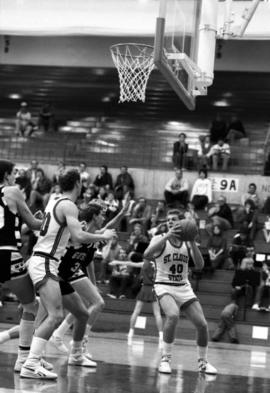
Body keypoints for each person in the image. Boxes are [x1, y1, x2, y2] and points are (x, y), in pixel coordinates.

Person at [20, 169, 116, 379]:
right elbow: (79, 236)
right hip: (45, 261)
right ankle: (30, 363)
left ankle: (73, 355)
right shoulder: (68, 205)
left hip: (46, 261)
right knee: (55, 315)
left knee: (81, 313)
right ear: (77, 184)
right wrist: (104, 236)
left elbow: (72, 238)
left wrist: (88, 233)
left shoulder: (54, 201)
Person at [143, 209, 217, 375]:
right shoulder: (159, 238)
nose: (170, 222)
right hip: (164, 285)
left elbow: (199, 266)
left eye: (174, 220)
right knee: (173, 315)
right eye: (168, 220)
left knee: (202, 325)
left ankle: (203, 363)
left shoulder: (186, 243)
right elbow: (146, 255)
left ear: (181, 223)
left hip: (183, 286)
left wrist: (191, 243)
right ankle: (165, 359)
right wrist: (167, 235)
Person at [0, 160, 43, 373]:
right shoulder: (12, 191)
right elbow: (35, 225)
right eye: (13, 172)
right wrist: (54, 223)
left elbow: (10, 225)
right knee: (30, 305)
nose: (15, 176)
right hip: (7, 254)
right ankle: (24, 359)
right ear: (6, 174)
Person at [110, 259, 163, 345]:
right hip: (154, 289)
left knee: (136, 311)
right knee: (157, 314)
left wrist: (116, 262)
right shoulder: (160, 265)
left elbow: (129, 263)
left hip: (145, 288)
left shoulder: (144, 263)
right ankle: (161, 335)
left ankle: (131, 332)